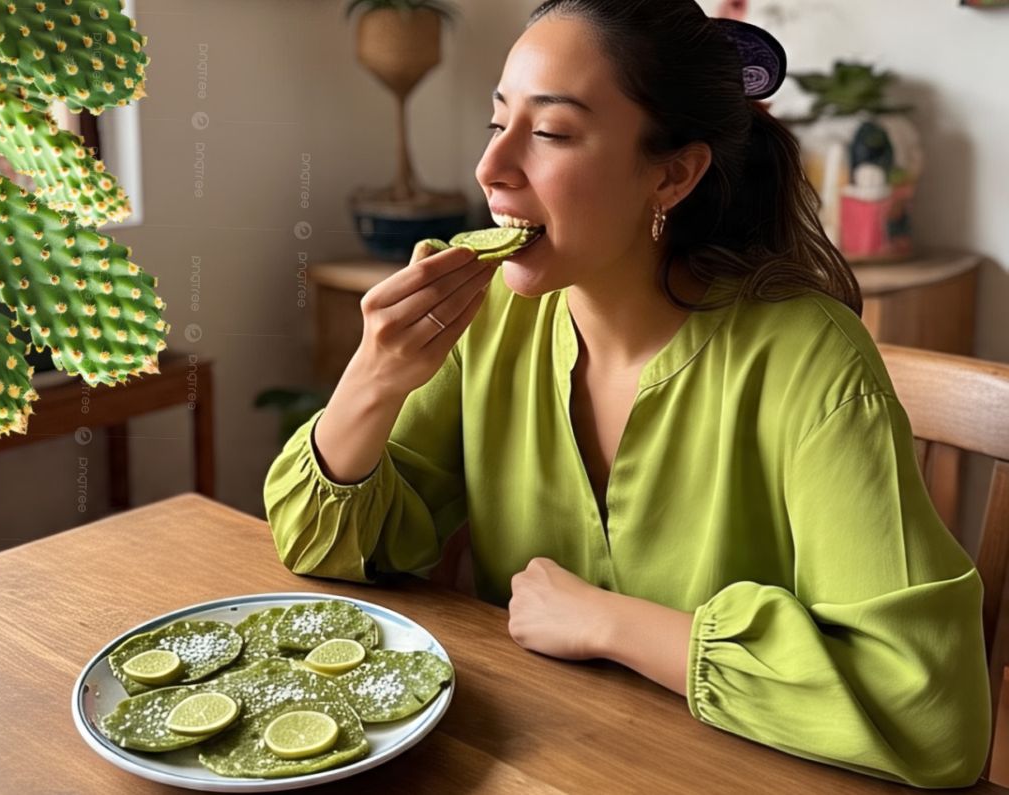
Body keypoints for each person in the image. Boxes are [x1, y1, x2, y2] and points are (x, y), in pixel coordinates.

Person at [263, 0, 991, 786]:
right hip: (535, 760)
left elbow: (931, 712)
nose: (491, 168)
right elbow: (320, 549)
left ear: (672, 173)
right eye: (495, 122)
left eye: (549, 133)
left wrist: (610, 622)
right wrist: (374, 378)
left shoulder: (811, 361)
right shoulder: (493, 315)